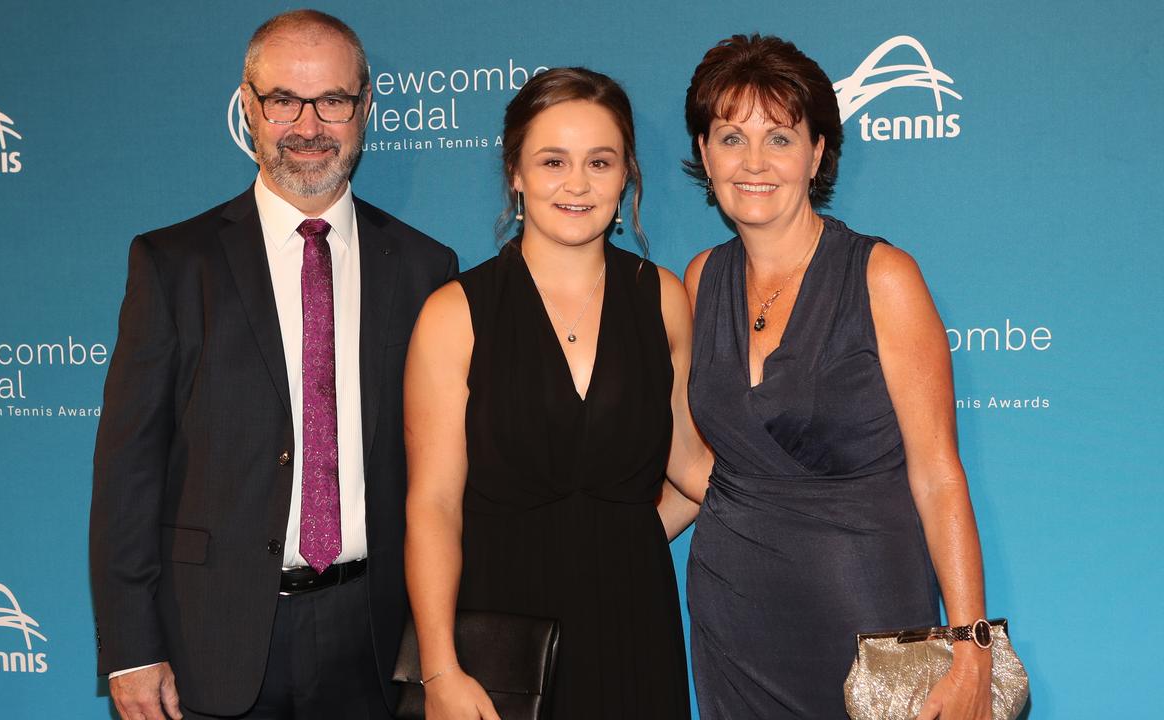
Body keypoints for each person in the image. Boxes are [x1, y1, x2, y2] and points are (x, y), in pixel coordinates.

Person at [89, 10, 457, 720]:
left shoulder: (425, 268)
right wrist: (132, 648)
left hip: (374, 643)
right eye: (284, 99)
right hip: (210, 639)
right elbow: (128, 469)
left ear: (366, 106)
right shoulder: (173, 264)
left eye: (333, 101)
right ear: (250, 108)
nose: (309, 125)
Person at [682, 34, 993, 719]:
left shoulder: (882, 276)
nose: (754, 162)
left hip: (868, 613)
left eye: (780, 139)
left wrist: (971, 645)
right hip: (733, 613)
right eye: (732, 138)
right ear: (705, 154)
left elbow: (938, 471)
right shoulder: (702, 280)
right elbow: (711, 468)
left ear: (817, 152)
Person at [404, 67, 711, 720]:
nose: (577, 184)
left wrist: (821, 501)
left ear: (626, 173)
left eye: (599, 162)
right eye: (553, 161)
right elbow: (433, 505)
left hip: (635, 629)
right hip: (501, 645)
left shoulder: (662, 299)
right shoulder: (454, 314)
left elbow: (691, 468)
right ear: (515, 172)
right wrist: (439, 671)